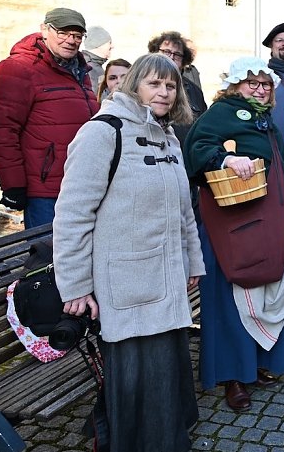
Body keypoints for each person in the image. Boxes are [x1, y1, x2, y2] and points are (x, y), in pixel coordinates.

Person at [53, 53, 204, 451]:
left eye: (171, 86)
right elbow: (72, 215)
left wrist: (193, 260)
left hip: (167, 276)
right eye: (154, 83)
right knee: (137, 373)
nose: (164, 92)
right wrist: (75, 287)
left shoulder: (168, 136)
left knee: (165, 370)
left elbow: (184, 209)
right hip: (126, 282)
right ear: (134, 83)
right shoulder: (103, 132)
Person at [183, 57, 284, 411]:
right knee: (229, 300)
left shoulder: (264, 118)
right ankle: (232, 375)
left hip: (265, 222)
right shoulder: (223, 111)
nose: (261, 89)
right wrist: (225, 160)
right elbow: (196, 148)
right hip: (232, 225)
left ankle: (252, 365)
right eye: (253, 83)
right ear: (235, 85)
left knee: (259, 294)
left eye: (266, 84)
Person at [0, 7, 100, 228]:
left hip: (82, 185)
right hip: (45, 192)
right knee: (47, 258)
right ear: (44, 30)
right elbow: (2, 130)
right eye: (63, 32)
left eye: (78, 36)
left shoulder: (80, 72)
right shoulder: (19, 68)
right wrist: (13, 185)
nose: (71, 40)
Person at [147, 31, 207, 133]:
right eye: (166, 52)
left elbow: (203, 126)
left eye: (177, 54)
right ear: (155, 52)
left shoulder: (194, 91)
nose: (171, 57)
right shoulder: (142, 82)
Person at [81, 25, 112, 92]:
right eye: (109, 43)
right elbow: (95, 97)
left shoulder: (91, 64)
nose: (112, 46)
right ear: (99, 44)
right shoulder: (91, 69)